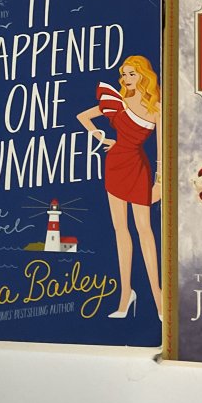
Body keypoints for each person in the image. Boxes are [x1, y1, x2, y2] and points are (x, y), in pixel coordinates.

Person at [77, 55, 162, 320]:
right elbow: (83, 116)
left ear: (144, 75)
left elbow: (161, 148)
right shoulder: (119, 101)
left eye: (131, 74)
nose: (126, 79)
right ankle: (126, 295)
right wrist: (102, 137)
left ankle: (158, 297)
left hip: (138, 167)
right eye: (124, 74)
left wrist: (160, 177)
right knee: (120, 229)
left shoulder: (157, 107)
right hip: (115, 164)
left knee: (145, 230)